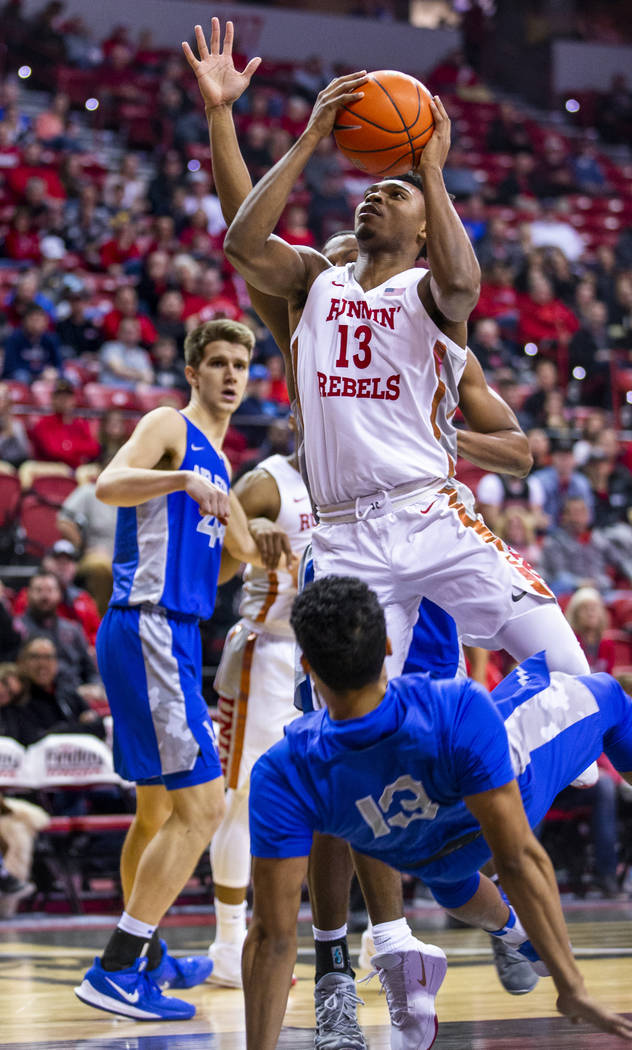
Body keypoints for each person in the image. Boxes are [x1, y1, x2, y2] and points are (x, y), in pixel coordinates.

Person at [183, 21, 589, 1043]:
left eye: (391, 191)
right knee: (333, 753)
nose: (374, 196)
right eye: (375, 185)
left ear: (416, 221)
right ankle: (347, 951)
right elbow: (239, 237)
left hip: (433, 515)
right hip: (350, 541)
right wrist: (251, 123)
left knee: (572, 667)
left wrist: (431, 170)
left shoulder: (430, 295)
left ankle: (493, 836)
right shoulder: (310, 286)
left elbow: (463, 282)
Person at [244, 575, 632, 1050]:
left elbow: (271, 938)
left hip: (430, 858)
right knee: (610, 697)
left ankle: (514, 934)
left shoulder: (281, 773)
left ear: (305, 666)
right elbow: (518, 861)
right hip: (502, 795)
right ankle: (519, 936)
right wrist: (572, 987)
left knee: (449, 876)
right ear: (389, 643)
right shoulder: (455, 707)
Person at [74, 318, 292, 1022]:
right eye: (219, 362)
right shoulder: (170, 426)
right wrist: (179, 478)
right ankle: (116, 967)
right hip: (149, 625)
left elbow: (226, 567)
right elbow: (109, 485)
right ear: (193, 371)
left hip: (170, 634)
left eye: (242, 365)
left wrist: (252, 547)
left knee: (159, 812)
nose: (232, 375)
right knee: (204, 807)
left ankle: (148, 955)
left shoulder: (224, 470)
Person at [207, 439, 314, 987]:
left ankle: (358, 938)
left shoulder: (359, 476)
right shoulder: (268, 482)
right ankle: (229, 943)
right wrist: (247, 539)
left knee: (327, 802)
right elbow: (216, 570)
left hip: (330, 657)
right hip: (269, 653)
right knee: (243, 800)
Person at [30, 378, 101, 470]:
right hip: (51, 470)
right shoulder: (43, 423)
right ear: (53, 399)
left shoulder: (80, 423)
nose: (63, 400)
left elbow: (94, 449)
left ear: (73, 400)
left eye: (67, 396)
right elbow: (53, 451)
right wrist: (77, 453)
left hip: (76, 470)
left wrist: (68, 446)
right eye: (59, 396)